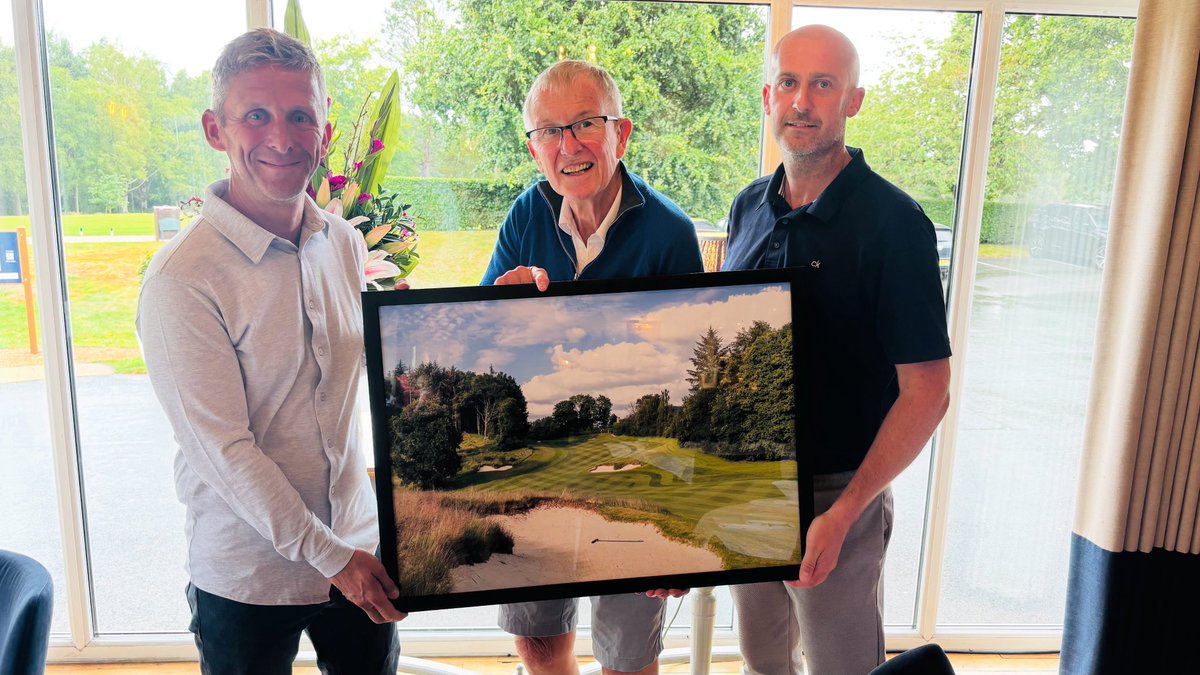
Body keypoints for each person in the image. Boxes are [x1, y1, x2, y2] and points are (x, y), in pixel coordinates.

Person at [136, 28, 405, 675]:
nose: (282, 138)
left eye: (299, 115)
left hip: (358, 549)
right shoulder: (181, 278)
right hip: (249, 574)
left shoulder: (343, 242)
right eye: (256, 115)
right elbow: (225, 451)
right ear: (214, 128)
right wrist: (332, 556)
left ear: (324, 126)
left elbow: (361, 377)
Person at [721, 25, 952, 674]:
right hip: (751, 485)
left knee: (841, 668)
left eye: (824, 84)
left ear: (854, 101)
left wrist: (848, 511)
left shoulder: (896, 226)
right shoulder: (748, 207)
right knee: (762, 661)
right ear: (768, 96)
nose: (803, 100)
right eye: (789, 83)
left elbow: (928, 390)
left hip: (838, 496)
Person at [480, 60, 703, 675]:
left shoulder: (670, 234)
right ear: (532, 149)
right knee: (537, 635)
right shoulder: (524, 216)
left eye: (584, 124)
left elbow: (689, 380)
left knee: (627, 655)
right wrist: (503, 302)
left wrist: (681, 527)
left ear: (621, 134)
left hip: (637, 470)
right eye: (548, 132)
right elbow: (481, 336)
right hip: (539, 450)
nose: (567, 146)